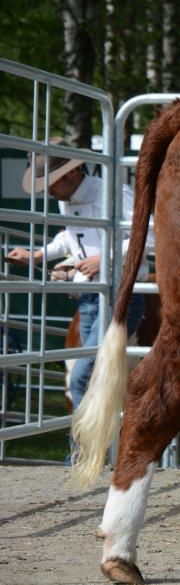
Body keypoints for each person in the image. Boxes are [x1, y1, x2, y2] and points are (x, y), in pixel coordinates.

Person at [9, 137, 149, 413]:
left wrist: (103, 259)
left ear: (73, 172)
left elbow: (148, 234)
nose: (48, 190)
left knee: (83, 375)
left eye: (52, 181)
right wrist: (39, 256)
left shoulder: (113, 193)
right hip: (88, 297)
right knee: (90, 377)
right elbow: (70, 236)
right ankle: (92, 451)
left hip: (121, 294)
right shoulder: (66, 197)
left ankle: (78, 455)